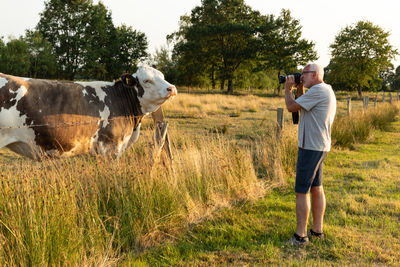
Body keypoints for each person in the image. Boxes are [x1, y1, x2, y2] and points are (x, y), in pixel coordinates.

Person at [284, 63, 336, 246]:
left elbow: (291, 107)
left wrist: (287, 89)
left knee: (301, 191)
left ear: (314, 74)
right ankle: (317, 230)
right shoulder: (325, 89)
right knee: (316, 187)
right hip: (320, 146)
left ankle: (300, 236)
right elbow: (302, 107)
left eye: (304, 74)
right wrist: (299, 88)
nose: (301, 77)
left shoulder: (317, 91)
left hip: (311, 148)